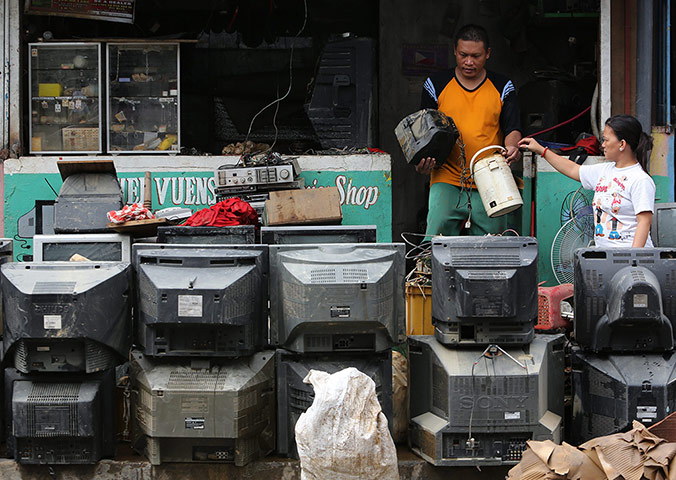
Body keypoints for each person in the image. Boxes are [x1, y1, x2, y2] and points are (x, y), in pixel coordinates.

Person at [417, 24, 522, 237]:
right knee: (434, 242)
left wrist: (512, 148)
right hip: (447, 176)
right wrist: (421, 160)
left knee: (492, 245)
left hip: (491, 177)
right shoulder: (435, 85)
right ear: (455, 51)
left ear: (488, 54)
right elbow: (422, 134)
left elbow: (513, 128)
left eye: (476, 56)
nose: (469, 62)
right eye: (463, 55)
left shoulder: (503, 86)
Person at [519, 114, 656, 247]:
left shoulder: (640, 179)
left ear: (622, 144)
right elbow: (573, 169)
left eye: (606, 140)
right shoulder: (604, 171)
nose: (602, 145)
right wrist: (541, 150)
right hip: (606, 257)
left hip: (628, 261)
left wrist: (633, 261)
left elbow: (644, 222)